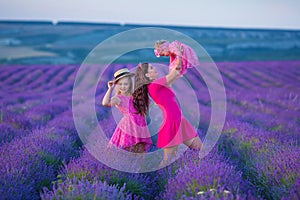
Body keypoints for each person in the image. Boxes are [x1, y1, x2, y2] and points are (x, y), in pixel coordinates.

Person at [133, 61, 202, 164]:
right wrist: (176, 51)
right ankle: (160, 177)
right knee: (167, 161)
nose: (155, 69)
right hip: (172, 123)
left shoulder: (159, 84)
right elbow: (174, 73)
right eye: (151, 68)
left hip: (181, 121)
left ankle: (196, 172)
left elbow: (176, 73)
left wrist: (173, 57)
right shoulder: (155, 85)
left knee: (199, 149)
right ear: (147, 75)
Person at [102, 68, 152, 153]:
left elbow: (147, 102)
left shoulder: (135, 95)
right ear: (117, 85)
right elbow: (105, 103)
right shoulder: (118, 98)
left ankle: (140, 165)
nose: (123, 86)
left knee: (140, 150)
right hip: (129, 126)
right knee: (129, 148)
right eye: (120, 84)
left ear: (130, 84)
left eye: (126, 84)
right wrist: (110, 89)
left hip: (140, 123)